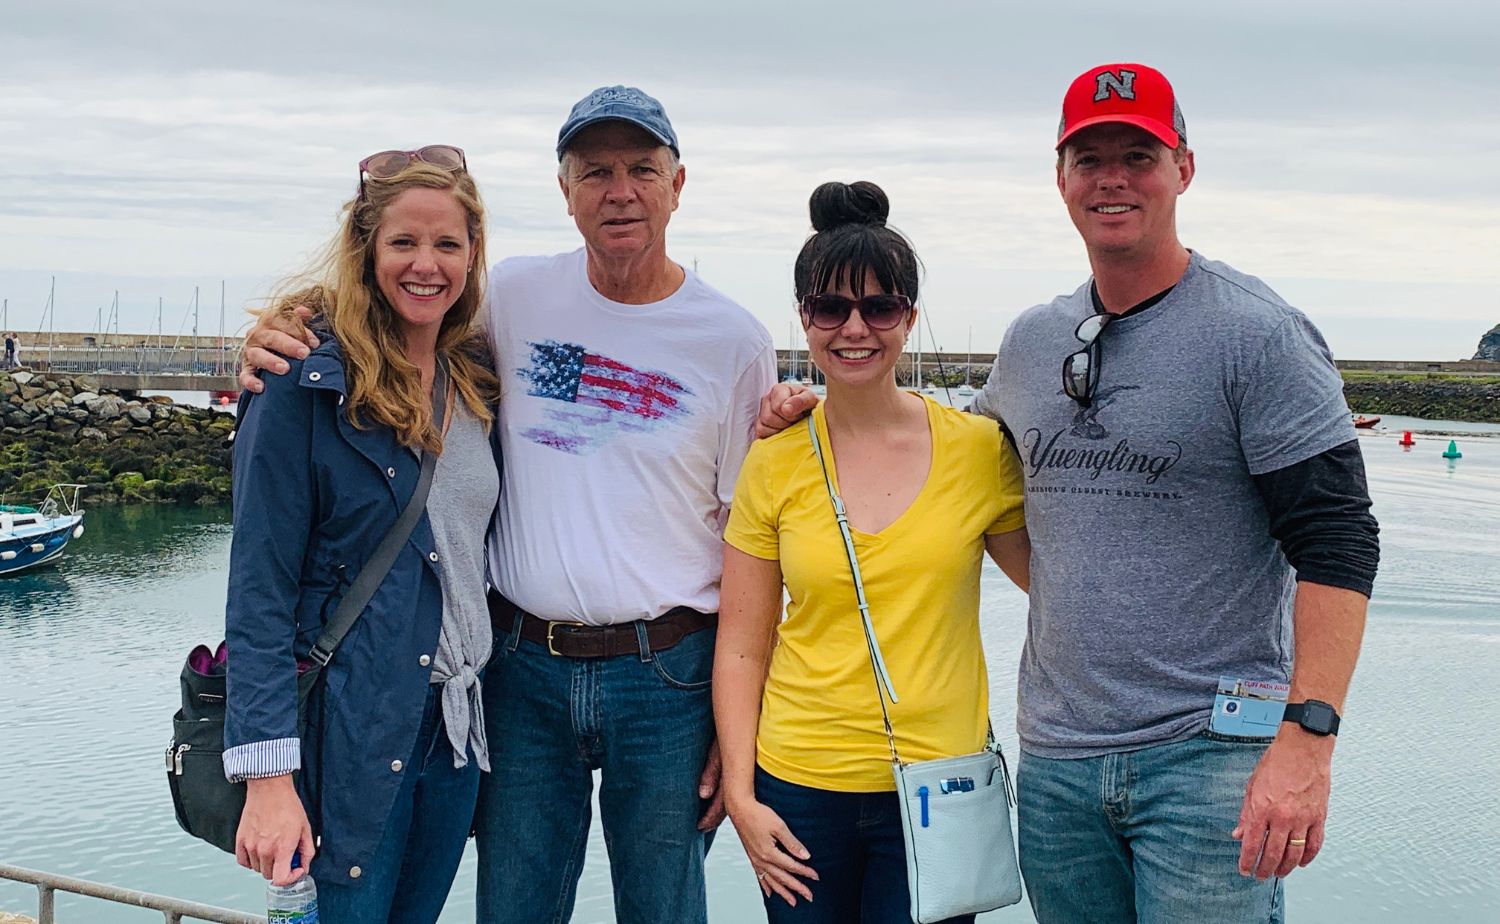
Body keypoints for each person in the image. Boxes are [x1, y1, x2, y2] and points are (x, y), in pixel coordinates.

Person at [759, 64, 1380, 923]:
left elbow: (1340, 541)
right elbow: (929, 451)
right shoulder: (1034, 341)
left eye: (1140, 154)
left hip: (1209, 760)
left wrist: (1308, 742)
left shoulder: (1257, 335)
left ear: (1184, 170)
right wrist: (806, 408)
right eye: (1090, 158)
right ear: (1061, 178)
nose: (1112, 177)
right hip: (1058, 765)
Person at [238, 87, 777, 924]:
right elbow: (391, 313)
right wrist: (282, 331)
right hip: (520, 673)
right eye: (595, 171)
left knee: (665, 909)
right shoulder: (513, 300)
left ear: (679, 184)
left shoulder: (735, 340)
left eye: (642, 168)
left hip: (667, 675)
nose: (620, 190)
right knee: (515, 907)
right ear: (564, 191)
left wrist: (735, 729)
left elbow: (753, 544)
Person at [717, 181, 1030, 923]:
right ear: (804, 317)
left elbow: (1058, 587)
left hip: (939, 785)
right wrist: (740, 793)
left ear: (909, 317)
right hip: (798, 785)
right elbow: (741, 646)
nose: (855, 328)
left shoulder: (980, 451)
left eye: (880, 307)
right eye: (831, 308)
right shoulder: (774, 455)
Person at [226, 146, 503, 923]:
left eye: (447, 244)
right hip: (345, 733)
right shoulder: (301, 382)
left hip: (456, 734)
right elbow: (259, 589)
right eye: (403, 243)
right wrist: (268, 781)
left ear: (472, 254)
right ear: (366, 248)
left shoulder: (475, 378)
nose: (426, 264)